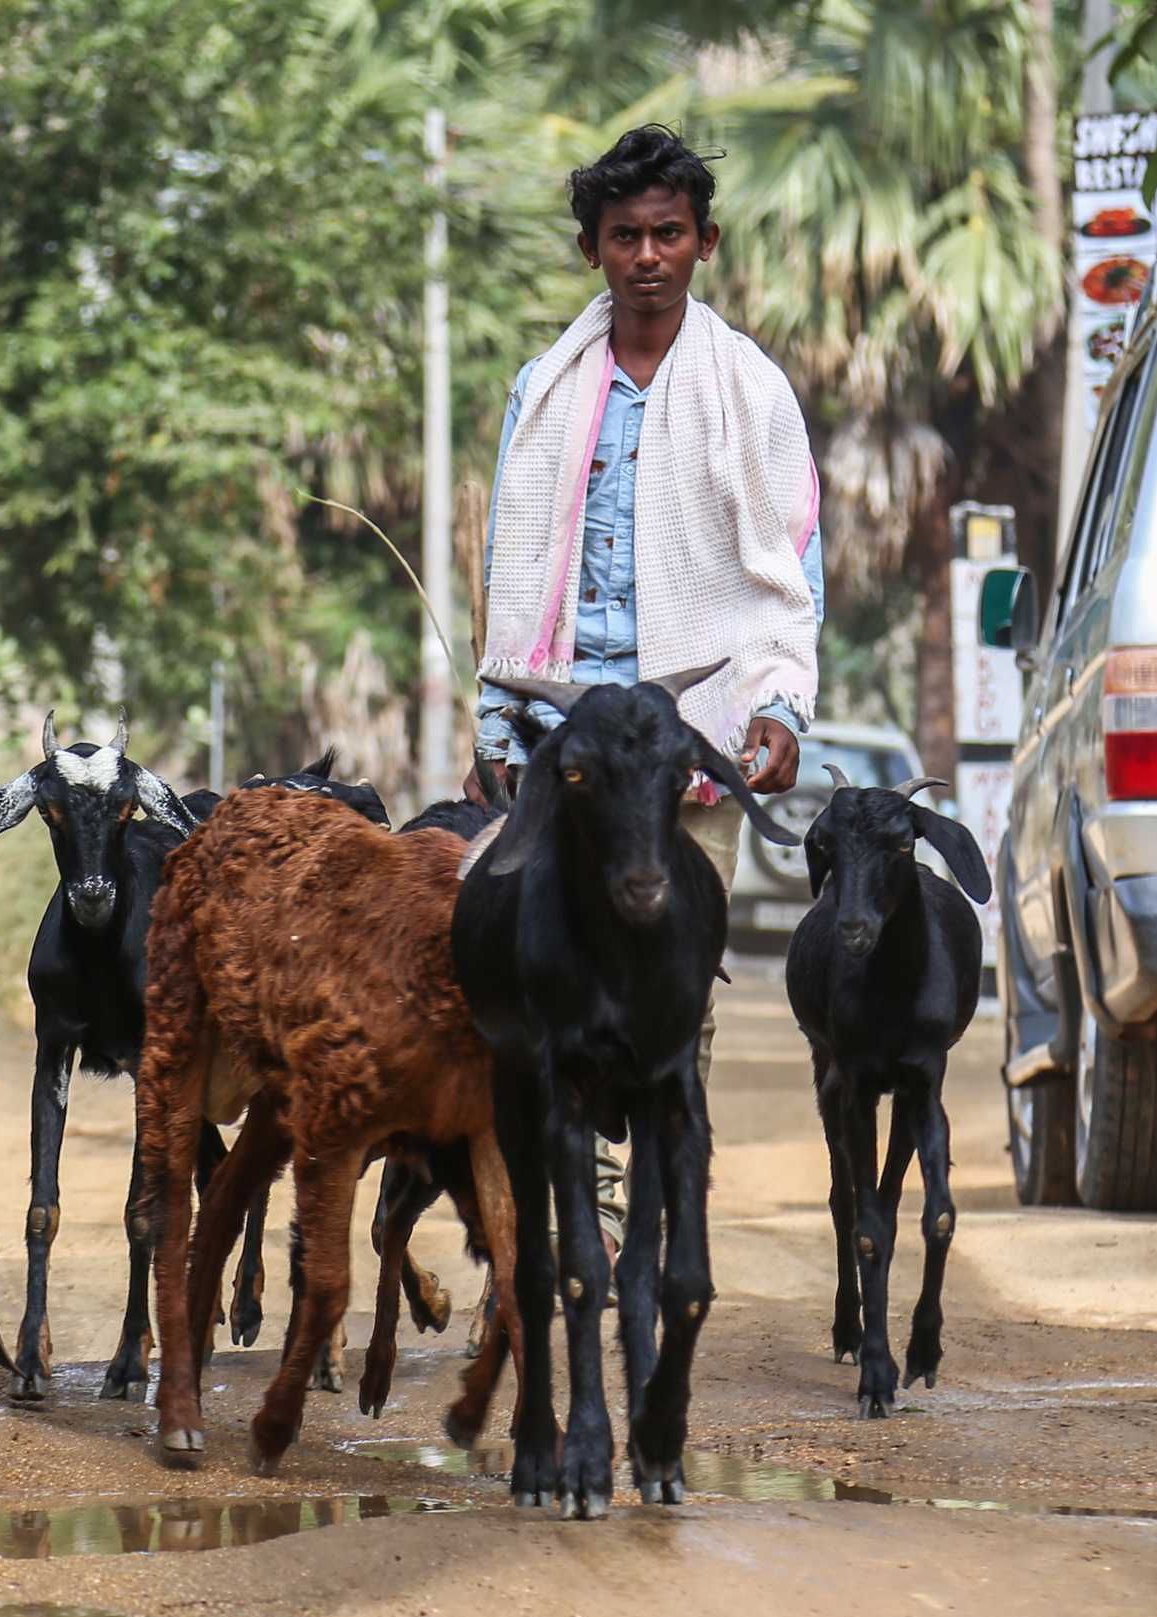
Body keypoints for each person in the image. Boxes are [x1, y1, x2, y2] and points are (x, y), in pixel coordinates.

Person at [474, 124, 823, 1251]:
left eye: (668, 232)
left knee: (678, 980)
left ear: (703, 242)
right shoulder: (544, 393)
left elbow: (790, 562)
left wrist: (777, 704)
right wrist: (497, 711)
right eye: (624, 235)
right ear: (592, 251)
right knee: (548, 973)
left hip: (692, 738)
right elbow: (510, 557)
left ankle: (663, 1189)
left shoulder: (751, 390)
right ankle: (586, 1211)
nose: (647, 255)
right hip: (564, 737)